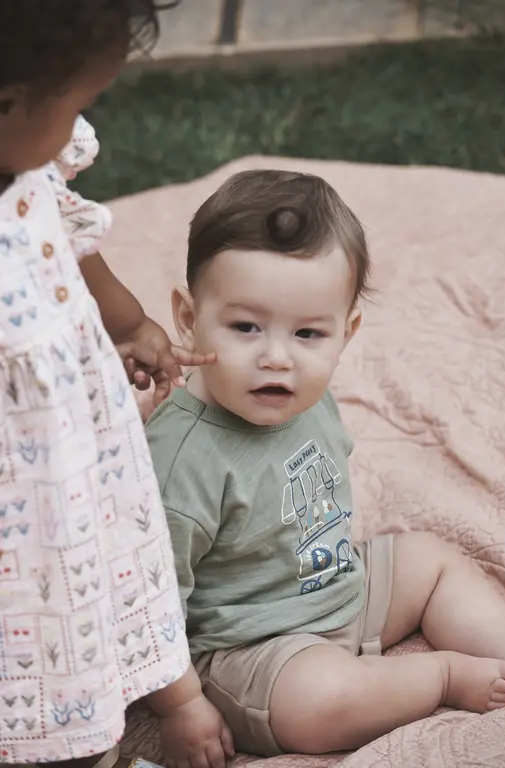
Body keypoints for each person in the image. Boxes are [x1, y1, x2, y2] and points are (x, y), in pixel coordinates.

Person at [146, 169, 505, 758]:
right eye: (245, 327)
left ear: (347, 332)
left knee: (434, 560)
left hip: (338, 585)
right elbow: (147, 600)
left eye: (309, 334)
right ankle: (442, 677)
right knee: (317, 702)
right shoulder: (180, 463)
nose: (276, 358)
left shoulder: (304, 395)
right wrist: (182, 704)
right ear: (188, 319)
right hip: (251, 648)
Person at [0, 3, 234, 768]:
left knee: (104, 560)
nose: (79, 126)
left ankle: (126, 692)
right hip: (17, 493)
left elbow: (65, 237)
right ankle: (56, 739)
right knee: (32, 617)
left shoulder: (26, 162)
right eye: (74, 104)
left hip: (73, 455)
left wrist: (129, 322)